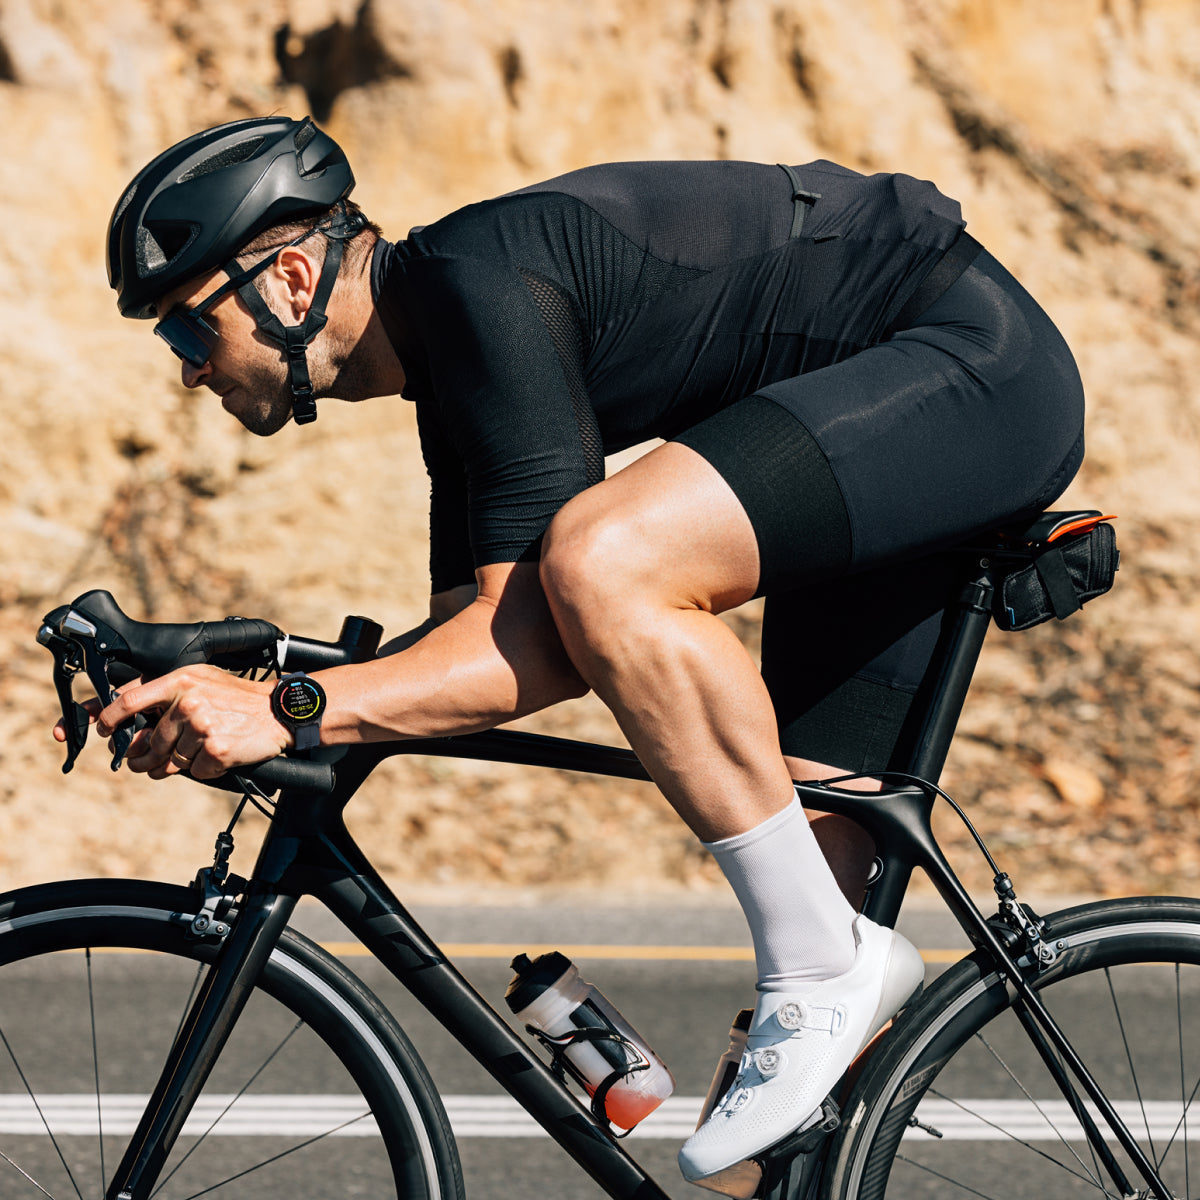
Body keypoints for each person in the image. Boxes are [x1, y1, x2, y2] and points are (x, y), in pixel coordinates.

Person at [88, 116, 1084, 1180]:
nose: (190, 373)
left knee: (604, 557)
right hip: (863, 440)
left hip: (970, 371)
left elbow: (543, 646)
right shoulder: (451, 366)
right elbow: (473, 648)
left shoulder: (481, 287)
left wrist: (282, 712)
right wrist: (247, 688)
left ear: (290, 281)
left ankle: (826, 966)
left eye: (187, 333)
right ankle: (821, 998)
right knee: (778, 1121)